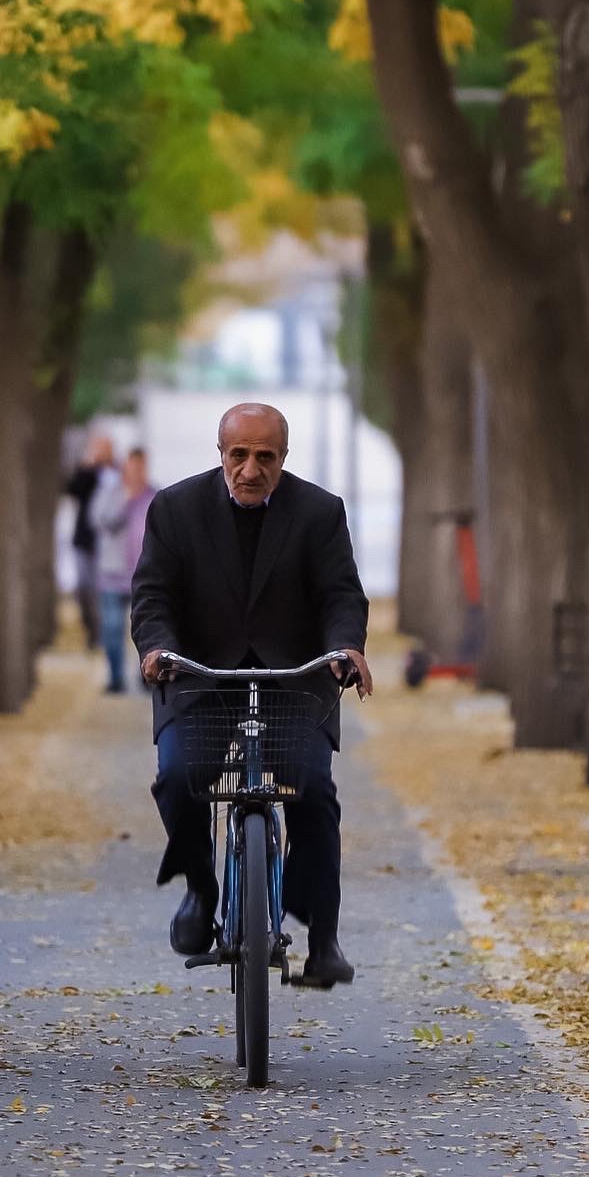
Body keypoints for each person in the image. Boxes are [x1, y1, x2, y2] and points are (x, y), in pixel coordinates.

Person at [130, 402, 372, 989]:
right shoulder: (175, 509)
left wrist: (345, 646)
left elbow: (342, 595)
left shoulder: (319, 512)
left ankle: (323, 938)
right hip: (199, 680)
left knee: (313, 791)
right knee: (179, 775)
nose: (251, 468)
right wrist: (157, 648)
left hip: (293, 684)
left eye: (266, 456)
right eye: (239, 455)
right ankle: (199, 888)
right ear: (221, 455)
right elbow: (153, 595)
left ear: (283, 458)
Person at [92, 447, 157, 694]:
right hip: (112, 573)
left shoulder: (154, 494)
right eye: (132, 467)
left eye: (141, 468)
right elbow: (100, 520)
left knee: (145, 627)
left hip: (143, 572)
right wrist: (125, 499)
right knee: (112, 627)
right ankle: (115, 677)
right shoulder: (111, 493)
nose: (137, 473)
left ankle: (146, 673)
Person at [64, 433, 114, 650]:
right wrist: (88, 465)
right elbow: (72, 489)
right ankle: (91, 630)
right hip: (85, 540)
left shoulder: (115, 473)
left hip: (108, 545)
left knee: (101, 590)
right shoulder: (88, 473)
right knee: (83, 588)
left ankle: (101, 634)